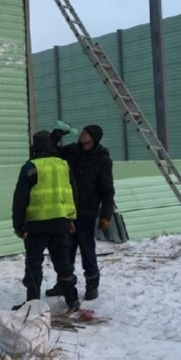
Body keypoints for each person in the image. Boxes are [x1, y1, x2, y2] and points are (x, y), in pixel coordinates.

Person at [11, 130, 80, 311]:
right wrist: (71, 218)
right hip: (61, 223)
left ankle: (33, 304)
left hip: (36, 224)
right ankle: (72, 300)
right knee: (63, 262)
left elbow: (20, 199)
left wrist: (18, 225)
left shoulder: (30, 167)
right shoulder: (63, 165)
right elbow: (73, 193)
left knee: (34, 265)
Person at [47, 124, 115, 301]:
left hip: (87, 211)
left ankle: (92, 284)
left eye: (86, 133)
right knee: (65, 249)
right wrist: (56, 135)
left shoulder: (102, 159)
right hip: (67, 210)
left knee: (87, 248)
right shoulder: (72, 151)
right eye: (83, 131)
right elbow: (50, 152)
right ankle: (64, 283)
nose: (81, 134)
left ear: (93, 138)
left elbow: (107, 189)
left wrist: (106, 214)